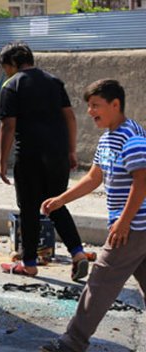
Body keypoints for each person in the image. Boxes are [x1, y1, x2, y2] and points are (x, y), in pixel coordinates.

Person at [39, 79, 146, 352]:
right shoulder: (108, 137)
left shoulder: (131, 137)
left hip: (133, 227)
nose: (90, 111)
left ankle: (71, 343)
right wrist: (61, 200)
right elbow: (94, 177)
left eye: (96, 105)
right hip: (133, 225)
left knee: (98, 284)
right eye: (89, 106)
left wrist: (123, 221)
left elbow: (142, 181)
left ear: (115, 105)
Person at [0, 42, 93, 278]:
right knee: (56, 204)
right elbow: (69, 117)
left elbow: (8, 126)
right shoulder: (54, 81)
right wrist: (71, 151)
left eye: (5, 67)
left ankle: (29, 263)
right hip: (58, 154)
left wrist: (2, 162)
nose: (5, 72)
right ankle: (78, 253)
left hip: (30, 156)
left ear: (12, 64)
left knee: (29, 208)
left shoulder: (12, 85)